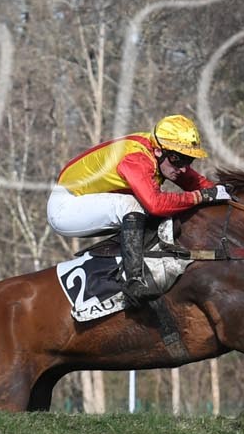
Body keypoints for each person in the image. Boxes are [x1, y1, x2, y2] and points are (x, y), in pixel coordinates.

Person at [47, 114, 233, 305]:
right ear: (159, 151)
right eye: (178, 159)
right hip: (65, 208)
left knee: (154, 209)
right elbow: (157, 204)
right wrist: (200, 197)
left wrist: (224, 193)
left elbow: (196, 183)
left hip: (86, 199)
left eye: (189, 160)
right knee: (134, 205)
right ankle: (134, 282)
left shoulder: (162, 155)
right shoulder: (137, 159)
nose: (183, 168)